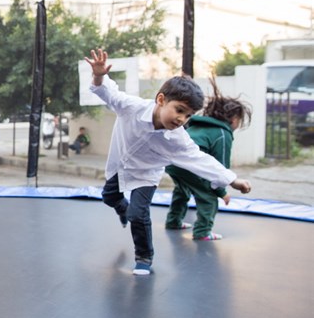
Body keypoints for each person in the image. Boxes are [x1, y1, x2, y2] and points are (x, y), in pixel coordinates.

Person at [84, 49, 252, 276]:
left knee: (138, 214)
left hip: (146, 175)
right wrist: (98, 75)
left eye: (188, 115)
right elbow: (108, 92)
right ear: (161, 100)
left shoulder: (178, 138)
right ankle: (122, 208)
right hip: (120, 166)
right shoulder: (131, 107)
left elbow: (200, 159)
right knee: (109, 197)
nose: (182, 119)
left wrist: (232, 180)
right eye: (179, 110)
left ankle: (144, 258)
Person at [165, 78, 252, 240]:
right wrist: (221, 192)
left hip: (172, 164)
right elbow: (220, 167)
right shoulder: (222, 134)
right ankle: (202, 231)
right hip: (189, 165)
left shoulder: (196, 124)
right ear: (234, 119)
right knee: (208, 197)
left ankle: (173, 221)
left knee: (182, 190)